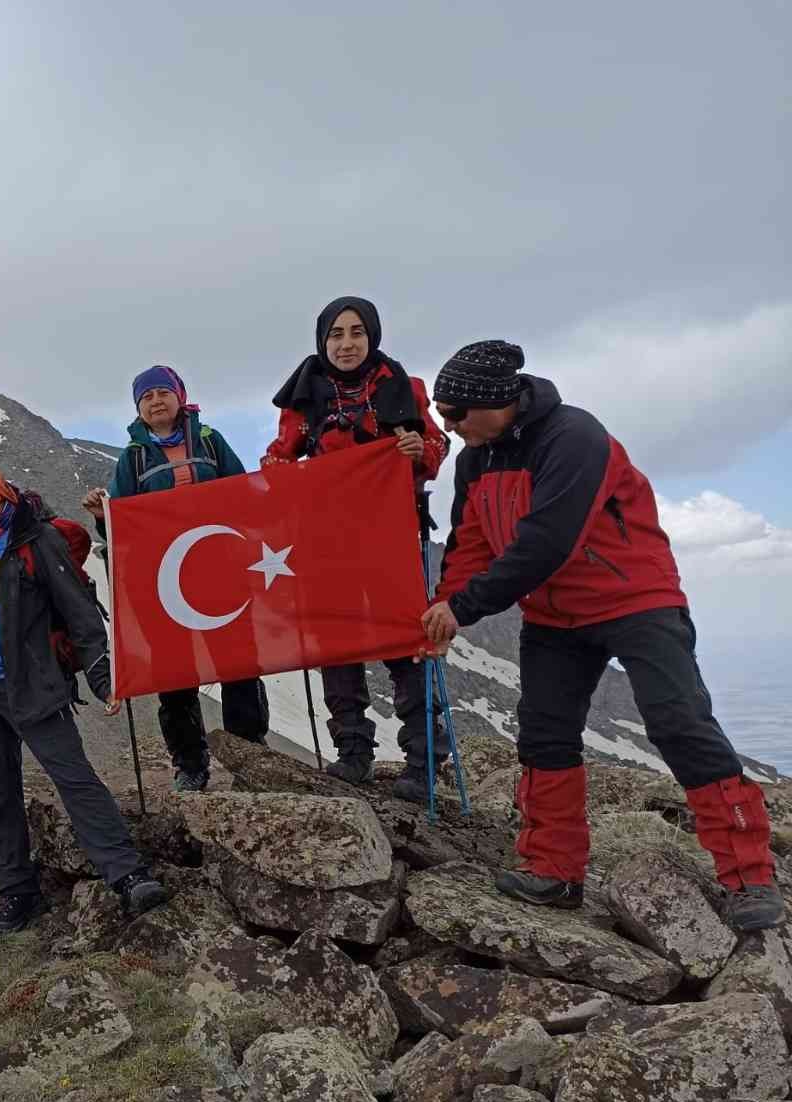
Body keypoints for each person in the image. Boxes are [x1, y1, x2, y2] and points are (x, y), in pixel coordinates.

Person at [420, 340, 782, 930]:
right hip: (553, 615)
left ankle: (750, 876)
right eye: (442, 412)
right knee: (544, 735)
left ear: (498, 402)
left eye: (456, 413)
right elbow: (472, 543)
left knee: (678, 720)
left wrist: (465, 606)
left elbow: (548, 538)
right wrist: (444, 608)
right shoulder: (474, 458)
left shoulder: (574, 437)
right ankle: (554, 870)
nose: (448, 425)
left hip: (634, 599)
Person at [0, 457, 169, 932]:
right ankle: (18, 893)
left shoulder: (39, 542)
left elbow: (81, 614)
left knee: (73, 778)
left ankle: (128, 875)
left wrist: (101, 679)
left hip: (31, 688)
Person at [264, 296, 451, 800]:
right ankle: (353, 753)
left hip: (391, 534)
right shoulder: (304, 397)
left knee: (404, 636)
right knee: (337, 640)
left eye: (356, 333)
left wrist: (419, 452)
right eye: (336, 335)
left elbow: (436, 446)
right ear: (322, 340)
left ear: (372, 336)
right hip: (327, 541)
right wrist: (283, 474)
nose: (346, 344)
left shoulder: (401, 387)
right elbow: (279, 457)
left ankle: (423, 759)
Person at [83, 364, 270, 792]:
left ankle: (251, 756)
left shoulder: (210, 440)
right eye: (146, 397)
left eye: (162, 393)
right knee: (175, 672)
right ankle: (190, 764)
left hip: (220, 571)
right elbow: (122, 523)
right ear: (138, 408)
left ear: (180, 397)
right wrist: (102, 515)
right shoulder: (132, 457)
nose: (155, 402)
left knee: (237, 662)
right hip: (166, 582)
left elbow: (241, 492)